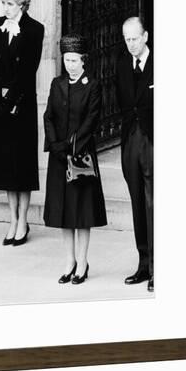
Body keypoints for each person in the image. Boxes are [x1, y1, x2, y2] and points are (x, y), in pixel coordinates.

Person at [0, 0, 44, 246]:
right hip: (1, 107)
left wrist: (12, 101)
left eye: (9, 4)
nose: (5, 9)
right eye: (3, 4)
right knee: (6, 167)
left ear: (22, 4)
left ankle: (23, 221)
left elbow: (29, 69)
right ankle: (12, 219)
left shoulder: (34, 29)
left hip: (21, 107)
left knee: (21, 167)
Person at [43, 35, 107, 284]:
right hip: (59, 157)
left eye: (74, 60)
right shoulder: (56, 84)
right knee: (63, 213)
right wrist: (56, 146)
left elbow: (92, 120)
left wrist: (71, 146)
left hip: (81, 156)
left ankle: (82, 262)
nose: (69, 64)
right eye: (66, 59)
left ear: (83, 60)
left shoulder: (93, 85)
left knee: (82, 213)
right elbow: (48, 116)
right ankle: (69, 261)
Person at [116, 16, 154, 292]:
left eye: (134, 38)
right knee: (137, 204)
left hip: (153, 141)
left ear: (145, 37)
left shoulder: (161, 63)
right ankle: (143, 264)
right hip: (130, 141)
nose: (130, 44)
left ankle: (158, 268)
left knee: (154, 205)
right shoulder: (121, 64)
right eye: (126, 39)